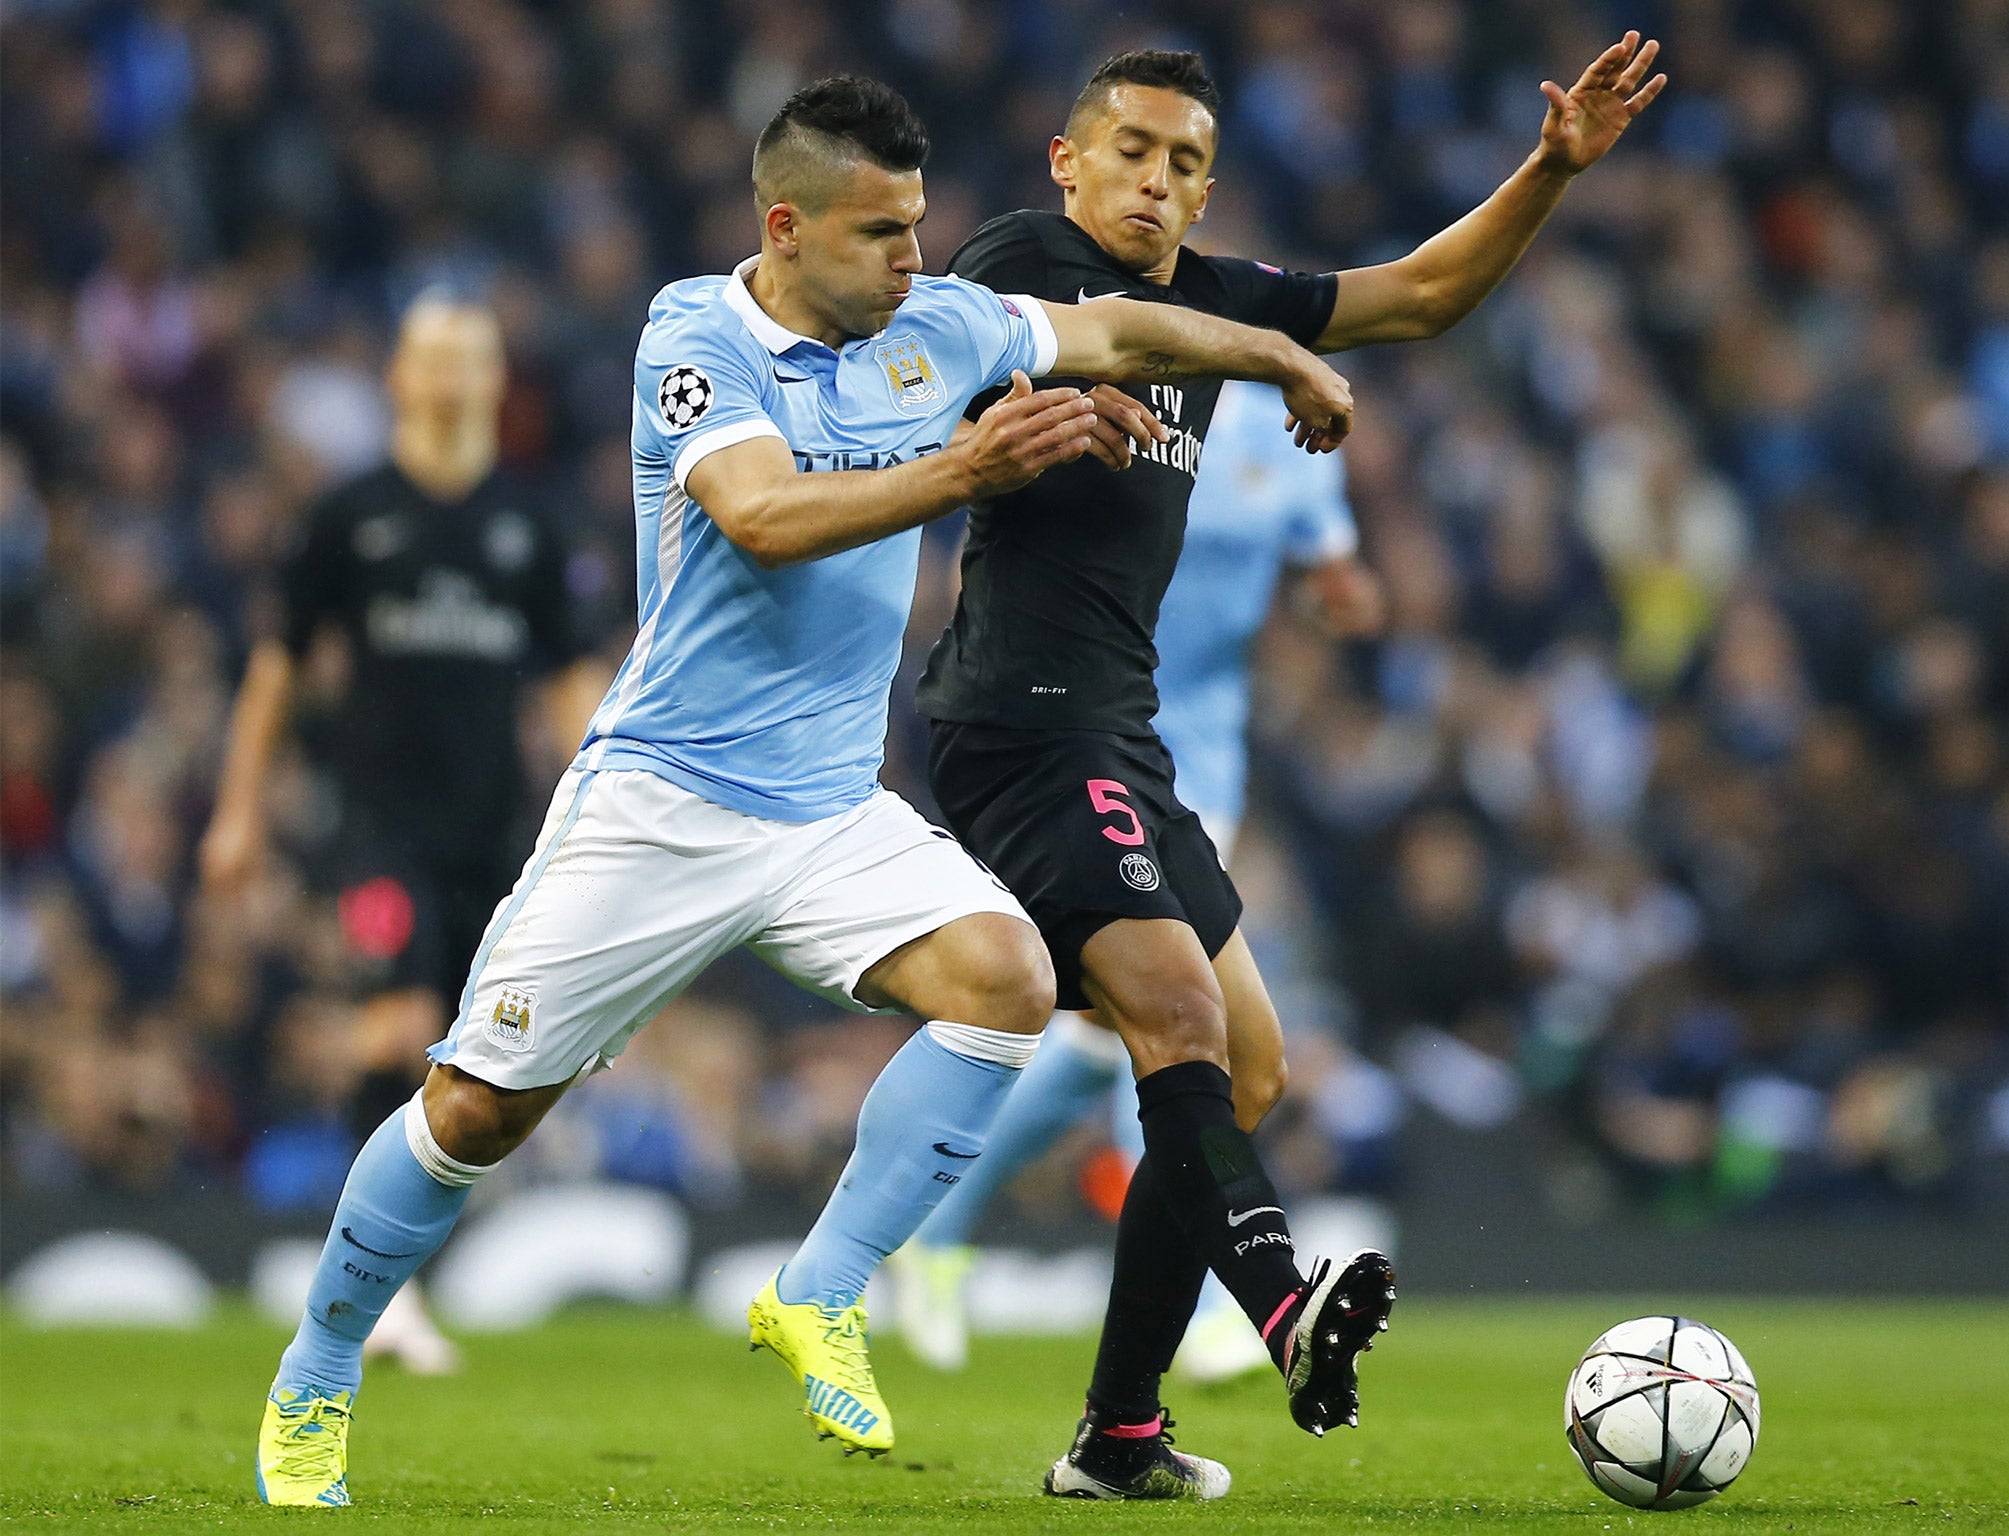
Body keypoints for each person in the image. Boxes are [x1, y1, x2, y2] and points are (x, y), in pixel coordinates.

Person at [249, 74, 1355, 1507]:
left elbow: (1125, 325)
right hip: (660, 802)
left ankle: (821, 1286)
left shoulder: (942, 326)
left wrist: (1272, 354)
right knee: (473, 1113)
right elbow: (762, 517)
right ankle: (318, 1376)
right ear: (789, 225)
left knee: (1009, 977)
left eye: (920, 226)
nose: (918, 259)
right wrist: (964, 466)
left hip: (830, 810)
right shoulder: (696, 333)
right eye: (885, 233)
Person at [913, 39, 1664, 1499]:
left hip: (1119, 733)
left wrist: (1550, 172)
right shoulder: (1022, 259)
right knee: (1180, 1017)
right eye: (1133, 149)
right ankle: (1278, 1302)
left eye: (1187, 162)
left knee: (1247, 1067)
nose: (1157, 180)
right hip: (1017, 720)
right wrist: (1270, 350)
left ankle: (1119, 1436)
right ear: (1073, 161)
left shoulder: (1209, 292)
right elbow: (1112, 339)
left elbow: (1425, 294)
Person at [892, 377, 1379, 1384]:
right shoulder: (1095, 402)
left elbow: (1330, 564)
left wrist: (1339, 594)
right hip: (1075, 737)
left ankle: (930, 1225)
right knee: (1172, 1019)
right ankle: (1212, 1302)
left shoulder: (1277, 433)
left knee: (1111, 1034)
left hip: (1198, 760)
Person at [201, 294, 605, 1375]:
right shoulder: (347, 516)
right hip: (375, 828)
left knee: (467, 1064)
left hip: (492, 835)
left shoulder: (530, 520)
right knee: (394, 1024)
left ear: (491, 381)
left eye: (469, 360)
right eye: (430, 358)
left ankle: (386, 1278)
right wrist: (240, 811)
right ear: (398, 376)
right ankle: (378, 1293)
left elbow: (570, 682)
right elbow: (278, 666)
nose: (448, 377)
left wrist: (602, 808)